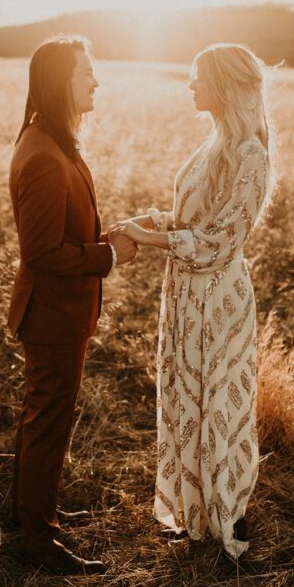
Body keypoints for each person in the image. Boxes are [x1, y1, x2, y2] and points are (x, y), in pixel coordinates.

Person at [111, 43, 276, 559]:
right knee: (187, 395)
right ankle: (194, 512)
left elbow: (222, 241)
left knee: (217, 401)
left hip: (218, 300)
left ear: (224, 85)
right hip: (184, 293)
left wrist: (155, 239)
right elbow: (195, 223)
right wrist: (157, 222)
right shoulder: (214, 144)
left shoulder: (251, 154)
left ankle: (225, 513)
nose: (189, 86)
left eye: (197, 78)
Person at [8, 35, 138, 575]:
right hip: (52, 314)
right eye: (87, 73)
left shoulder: (54, 141)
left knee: (42, 417)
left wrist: (107, 235)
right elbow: (41, 252)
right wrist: (106, 255)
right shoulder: (42, 152)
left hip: (59, 312)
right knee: (48, 422)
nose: (96, 81)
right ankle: (37, 541)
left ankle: (29, 515)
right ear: (61, 80)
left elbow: (62, 235)